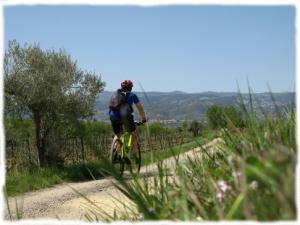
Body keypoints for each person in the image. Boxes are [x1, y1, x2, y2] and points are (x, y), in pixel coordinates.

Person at [109, 80, 146, 156]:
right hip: (126, 116)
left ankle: (114, 152)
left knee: (117, 135)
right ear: (130, 87)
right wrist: (143, 119)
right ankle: (133, 154)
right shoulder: (132, 95)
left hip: (113, 116)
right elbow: (140, 108)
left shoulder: (115, 95)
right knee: (134, 134)